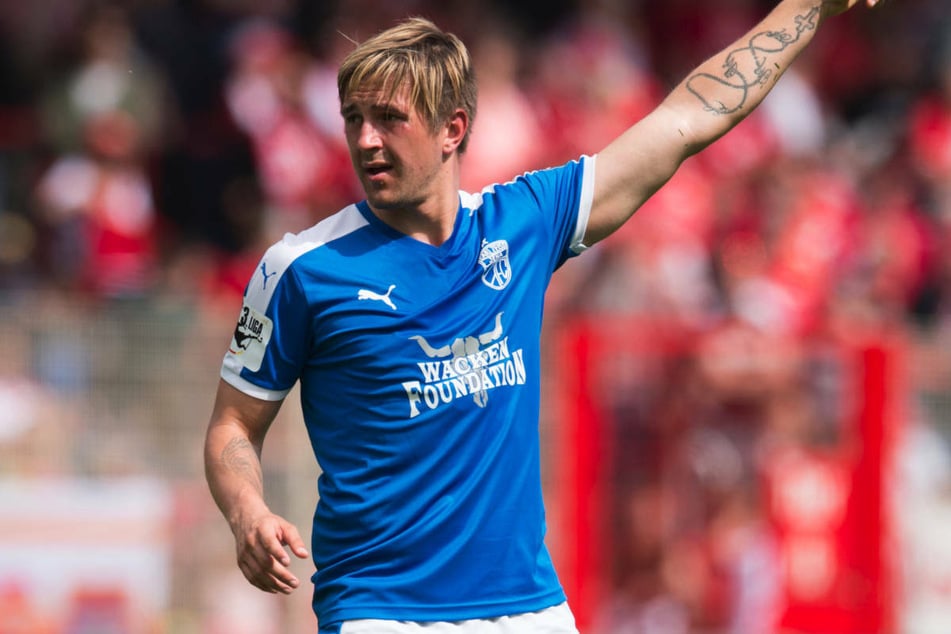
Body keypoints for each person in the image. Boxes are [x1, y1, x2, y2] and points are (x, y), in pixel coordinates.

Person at [204, 1, 881, 632]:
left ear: (452, 130)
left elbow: (687, 119)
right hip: (382, 610)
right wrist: (248, 514)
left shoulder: (522, 223)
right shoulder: (301, 269)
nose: (366, 141)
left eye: (389, 119)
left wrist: (805, 6)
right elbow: (234, 422)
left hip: (526, 609)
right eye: (354, 119)